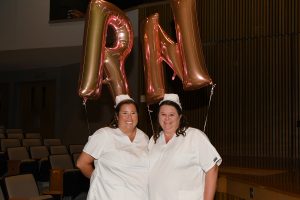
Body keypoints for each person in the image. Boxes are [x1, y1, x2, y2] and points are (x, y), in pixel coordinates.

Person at [149, 93, 222, 200]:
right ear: (158, 116)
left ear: (180, 117)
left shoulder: (194, 136)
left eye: (172, 115)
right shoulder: (154, 140)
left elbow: (212, 168)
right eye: (163, 114)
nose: (167, 119)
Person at [76, 94, 149, 200]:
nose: (129, 117)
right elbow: (82, 163)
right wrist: (99, 179)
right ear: (117, 116)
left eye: (133, 113)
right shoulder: (104, 135)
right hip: (109, 195)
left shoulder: (144, 138)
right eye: (125, 113)